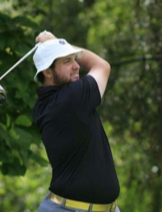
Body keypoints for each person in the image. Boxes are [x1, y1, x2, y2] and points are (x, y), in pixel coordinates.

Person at [32, 31, 120, 212]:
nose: (76, 66)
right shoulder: (72, 98)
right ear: (47, 72)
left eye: (75, 59)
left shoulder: (42, 105)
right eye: (67, 61)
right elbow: (102, 66)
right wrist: (58, 42)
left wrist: (60, 48)